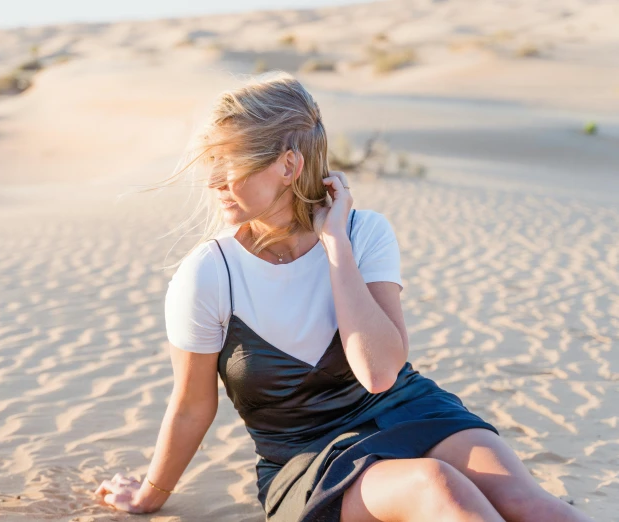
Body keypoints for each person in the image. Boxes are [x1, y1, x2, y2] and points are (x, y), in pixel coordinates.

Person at [95, 72, 593, 521]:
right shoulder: (209, 273)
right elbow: (190, 406)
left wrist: (336, 244)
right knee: (437, 487)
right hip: (307, 459)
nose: (214, 181)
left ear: (288, 165)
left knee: (526, 504)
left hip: (409, 411)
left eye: (231, 163)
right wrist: (149, 495)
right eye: (212, 163)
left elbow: (379, 373)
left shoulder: (364, 232)